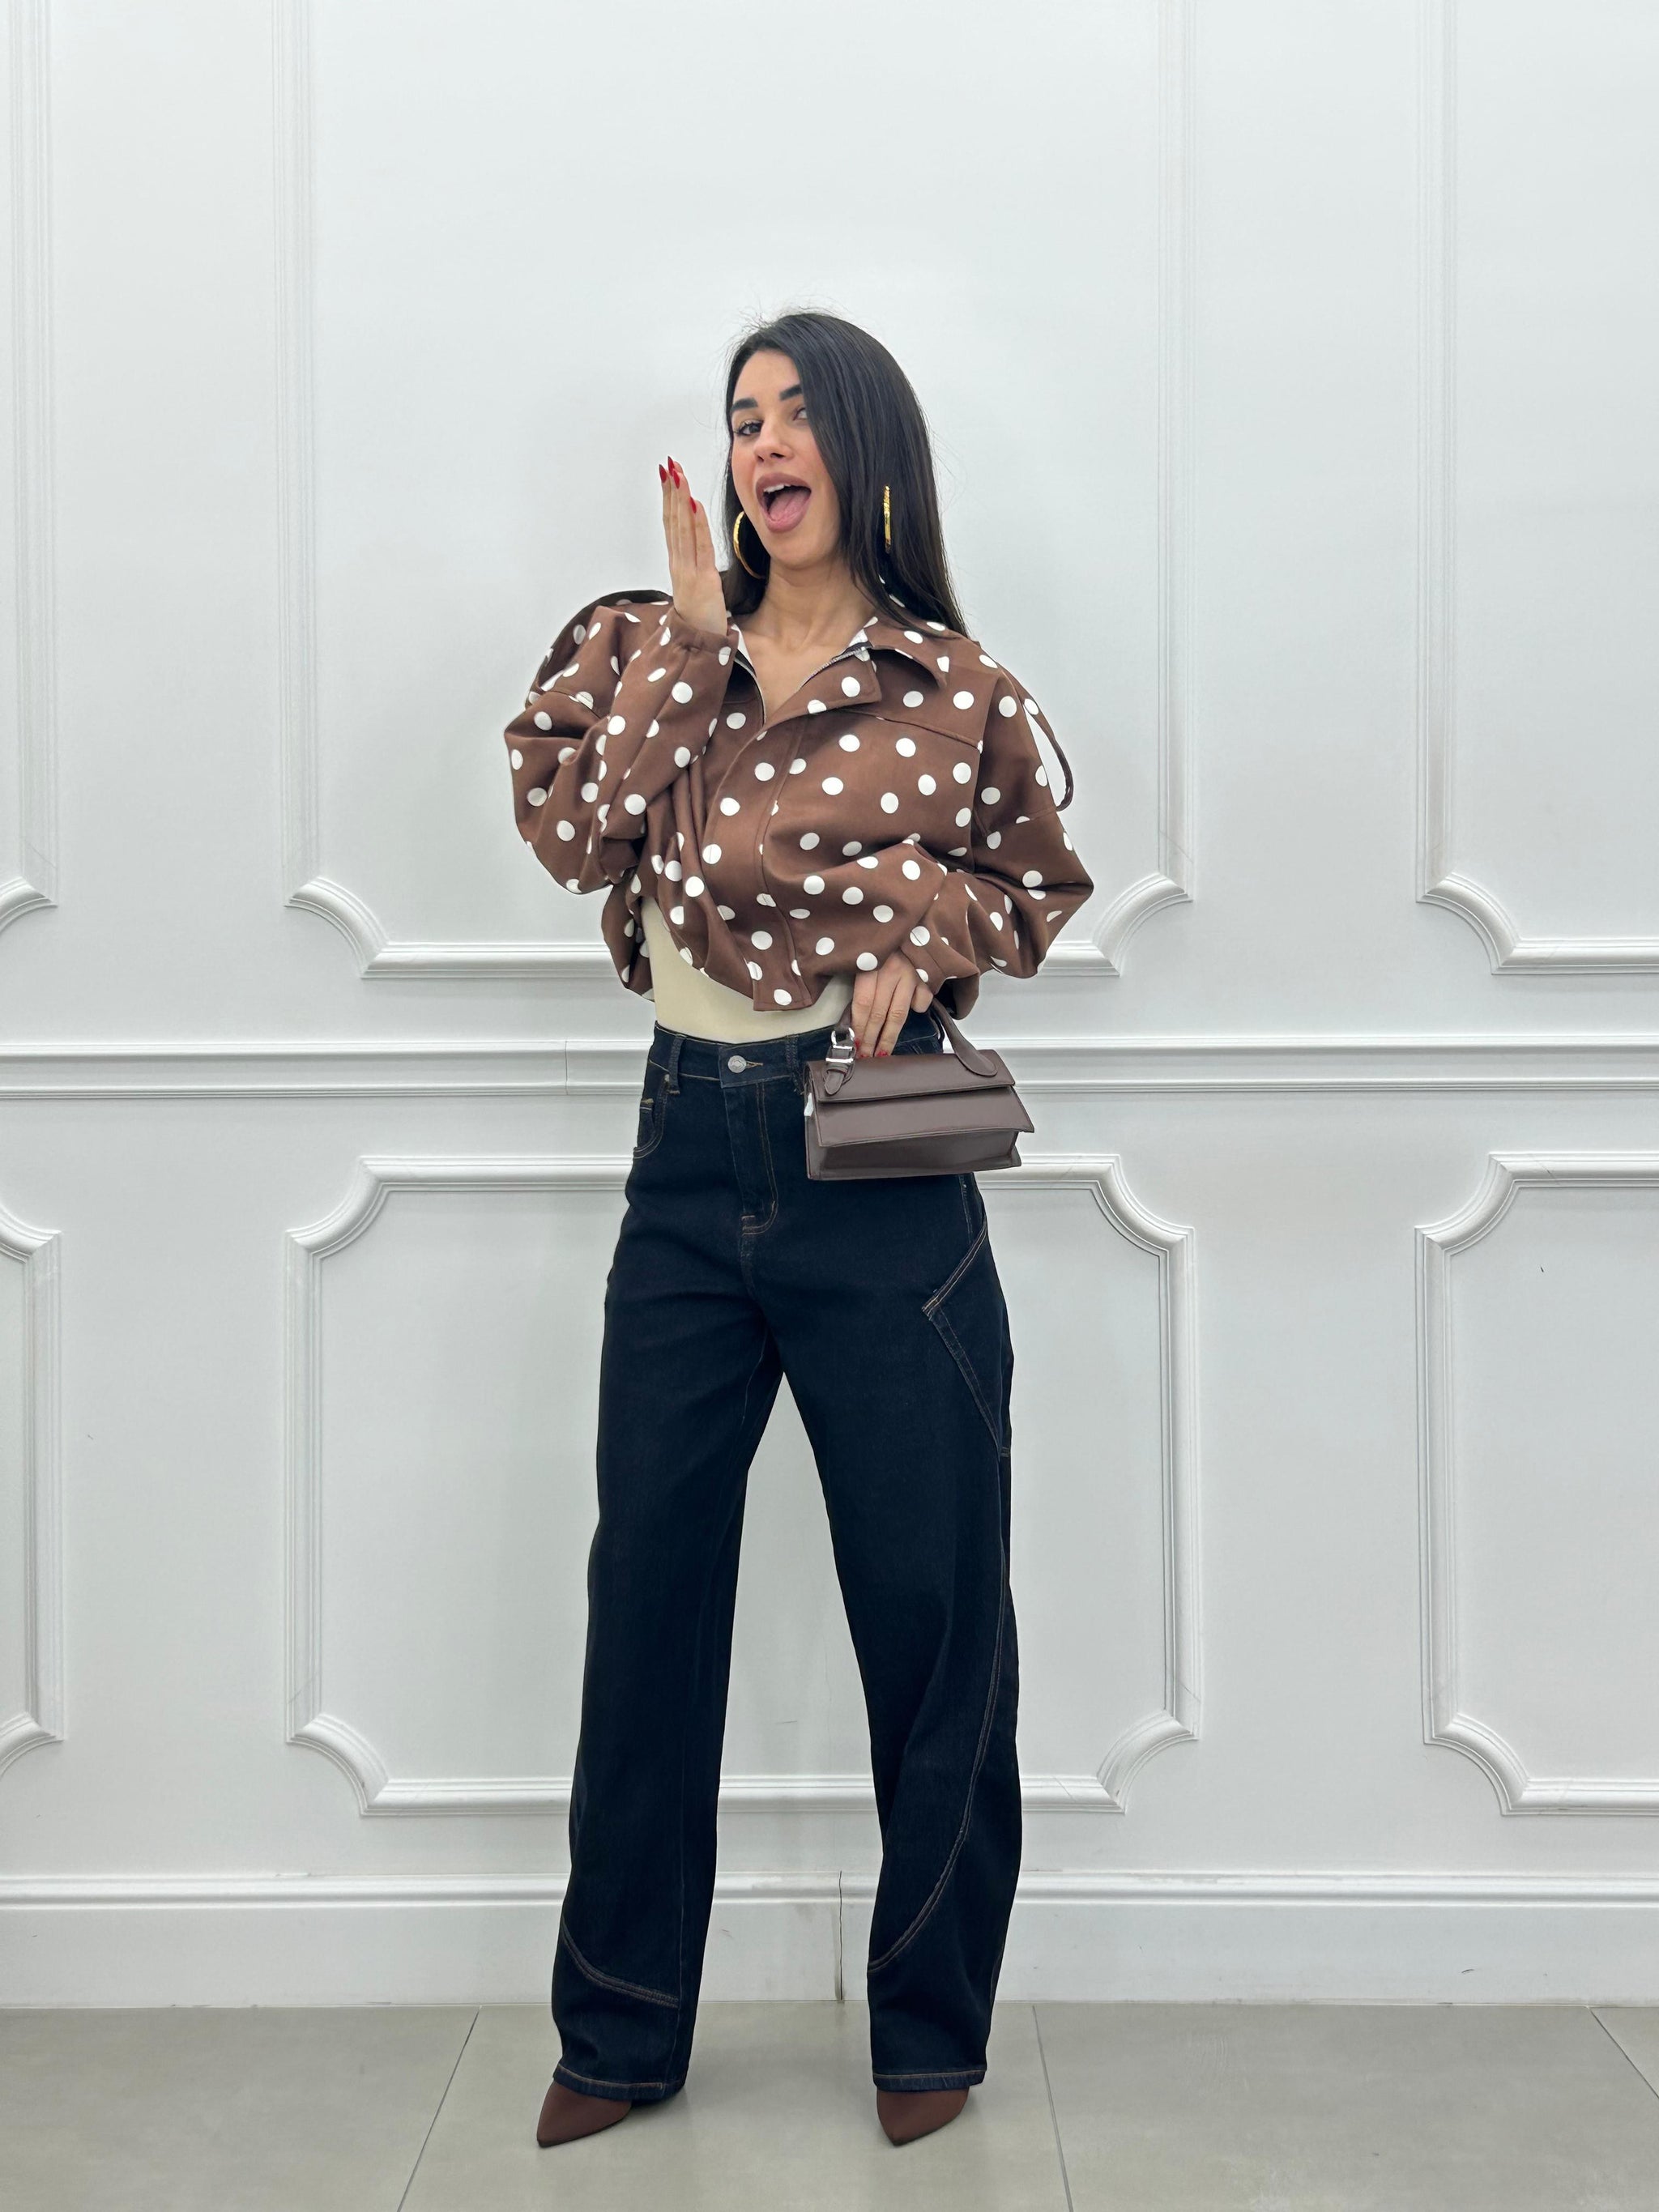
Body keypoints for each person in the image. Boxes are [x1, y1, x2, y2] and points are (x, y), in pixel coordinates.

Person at [503, 309, 1094, 2149]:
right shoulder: (637, 644)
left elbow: (1036, 884)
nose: (762, 445)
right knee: (647, 1599)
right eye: (739, 417)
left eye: (795, 414)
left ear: (865, 446)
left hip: (878, 1162)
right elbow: (572, 837)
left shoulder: (954, 688)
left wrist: (931, 945)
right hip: (686, 1153)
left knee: (933, 1604)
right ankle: (616, 2034)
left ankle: (931, 2029)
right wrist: (692, 648)